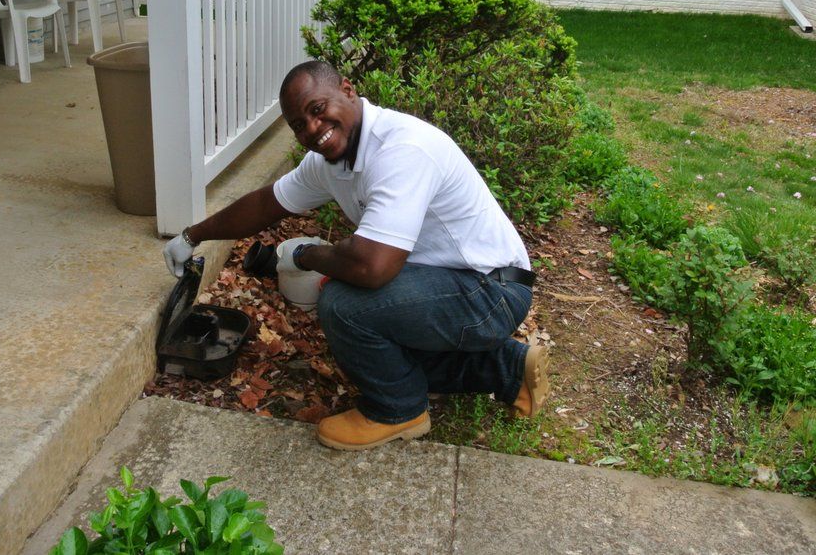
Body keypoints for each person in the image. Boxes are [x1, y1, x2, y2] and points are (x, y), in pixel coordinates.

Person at [163, 61, 548, 451]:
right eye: (299, 125)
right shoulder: (333, 160)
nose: (313, 129)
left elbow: (371, 266)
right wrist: (192, 236)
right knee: (378, 345)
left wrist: (308, 255)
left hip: (490, 292)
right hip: (457, 281)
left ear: (348, 90)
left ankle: (398, 409)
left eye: (317, 110)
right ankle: (508, 368)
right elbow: (267, 203)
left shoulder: (402, 150)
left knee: (346, 305)